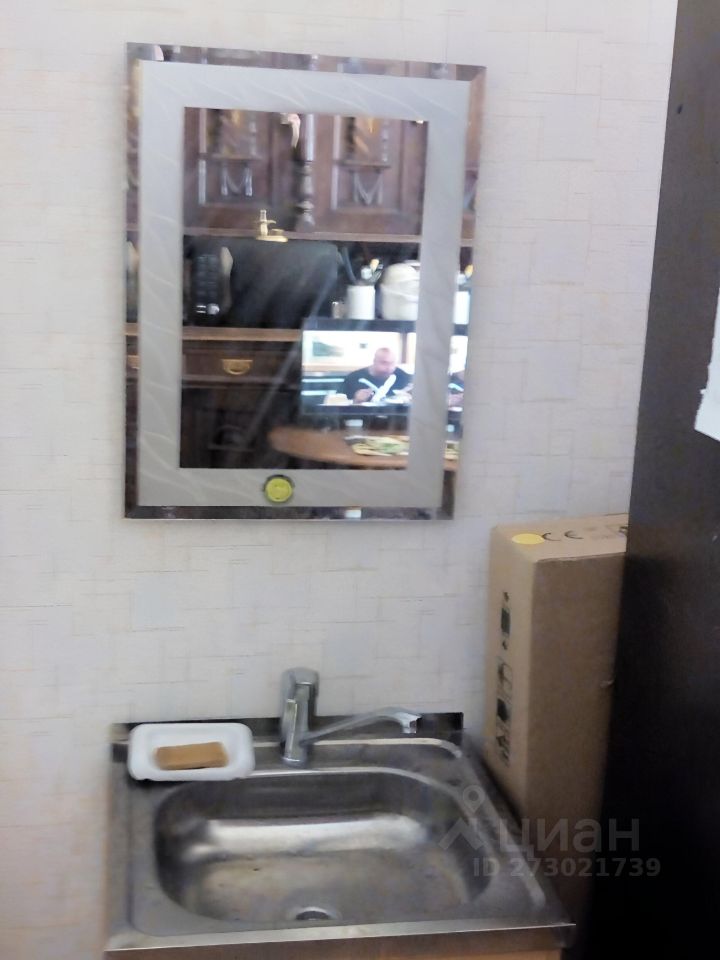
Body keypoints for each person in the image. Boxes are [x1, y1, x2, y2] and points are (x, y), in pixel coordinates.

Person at [341, 347, 413, 403]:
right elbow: (340, 405)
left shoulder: (402, 376)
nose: (389, 367)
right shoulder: (354, 378)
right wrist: (356, 401)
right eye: (384, 363)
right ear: (374, 361)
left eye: (392, 363)